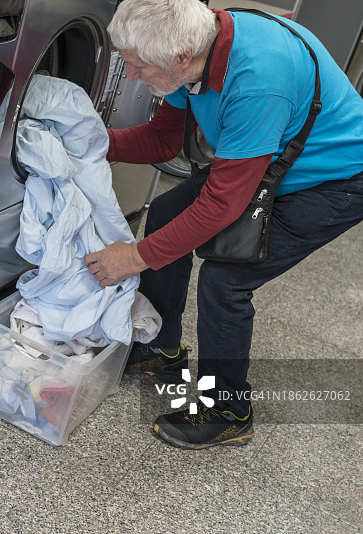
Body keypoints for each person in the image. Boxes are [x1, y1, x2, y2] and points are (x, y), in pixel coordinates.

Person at [85, 0, 363, 449]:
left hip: (336, 177)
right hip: (268, 160)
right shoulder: (193, 42)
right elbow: (162, 137)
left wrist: (133, 258)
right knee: (165, 215)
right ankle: (161, 348)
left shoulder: (258, 82)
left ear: (179, 56)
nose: (131, 76)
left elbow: (221, 205)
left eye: (138, 67)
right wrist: (91, 144)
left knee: (227, 279)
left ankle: (229, 409)